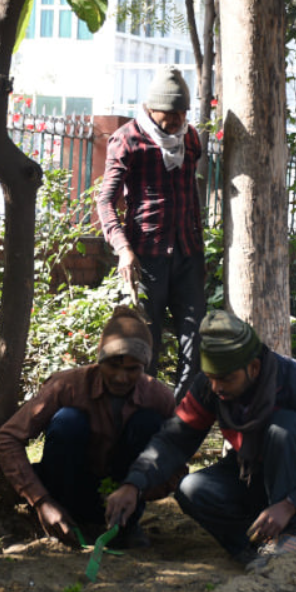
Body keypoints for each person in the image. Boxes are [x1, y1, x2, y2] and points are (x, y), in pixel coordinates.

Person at [104, 310, 296, 570]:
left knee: (284, 429)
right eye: (211, 378)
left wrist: (291, 505)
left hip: (295, 482)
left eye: (225, 379)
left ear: (254, 368)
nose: (216, 388)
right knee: (190, 489)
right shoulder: (209, 387)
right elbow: (173, 440)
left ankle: (287, 537)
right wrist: (133, 484)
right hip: (250, 473)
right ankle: (253, 548)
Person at [0, 307, 178, 548]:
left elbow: (176, 461)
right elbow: (7, 439)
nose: (121, 377)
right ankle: (66, 519)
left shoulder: (159, 397)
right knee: (68, 420)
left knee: (148, 423)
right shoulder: (66, 386)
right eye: (112, 365)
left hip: (125, 490)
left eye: (132, 369)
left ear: (144, 366)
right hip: (68, 488)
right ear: (99, 359)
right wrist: (41, 501)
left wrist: (135, 489)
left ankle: (126, 524)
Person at [96, 66, 205, 400]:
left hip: (188, 256)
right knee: (147, 346)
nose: (176, 121)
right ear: (150, 108)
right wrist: (123, 250)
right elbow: (105, 202)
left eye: (182, 113)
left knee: (195, 343)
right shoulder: (127, 139)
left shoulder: (190, 138)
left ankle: (182, 422)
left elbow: (192, 191)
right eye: (169, 114)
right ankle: (144, 418)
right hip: (147, 258)